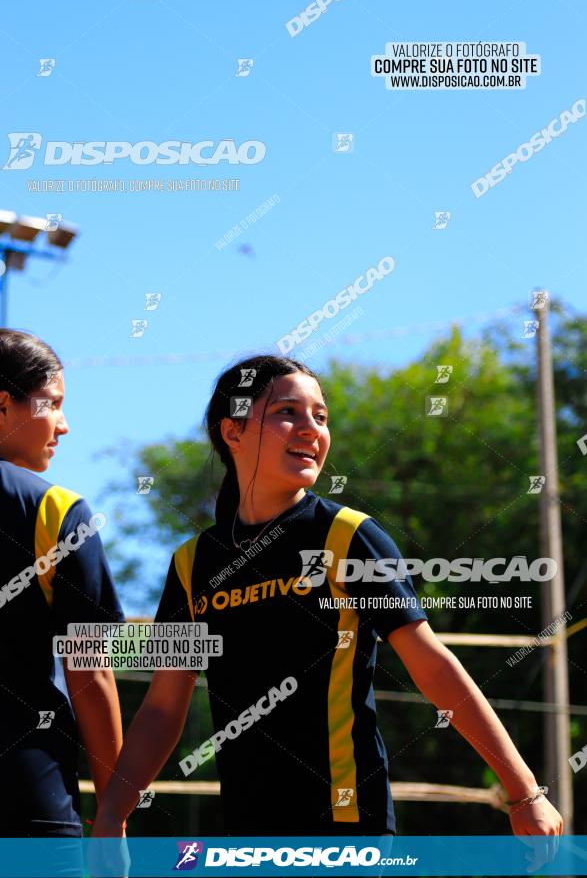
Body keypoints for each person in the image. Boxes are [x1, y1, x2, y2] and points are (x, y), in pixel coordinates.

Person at [92, 354, 563, 841]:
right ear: (232, 432)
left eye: (320, 416)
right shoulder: (191, 566)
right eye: (287, 413)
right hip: (244, 834)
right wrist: (113, 813)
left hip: (346, 824)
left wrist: (524, 790)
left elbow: (432, 664)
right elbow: (162, 708)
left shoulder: (348, 536)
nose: (310, 429)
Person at [0, 329, 125, 841]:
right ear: (4, 404)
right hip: (26, 795)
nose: (64, 425)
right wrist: (114, 815)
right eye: (52, 404)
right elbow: (90, 678)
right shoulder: (54, 512)